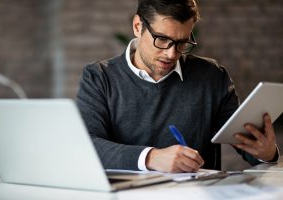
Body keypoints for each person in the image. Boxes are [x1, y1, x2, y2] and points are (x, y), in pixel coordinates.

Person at [76, 0, 279, 173]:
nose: (171, 54)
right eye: (162, 39)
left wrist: (266, 153)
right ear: (138, 26)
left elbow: (247, 146)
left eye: (182, 42)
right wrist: (151, 158)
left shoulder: (212, 76)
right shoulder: (99, 77)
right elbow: (87, 146)